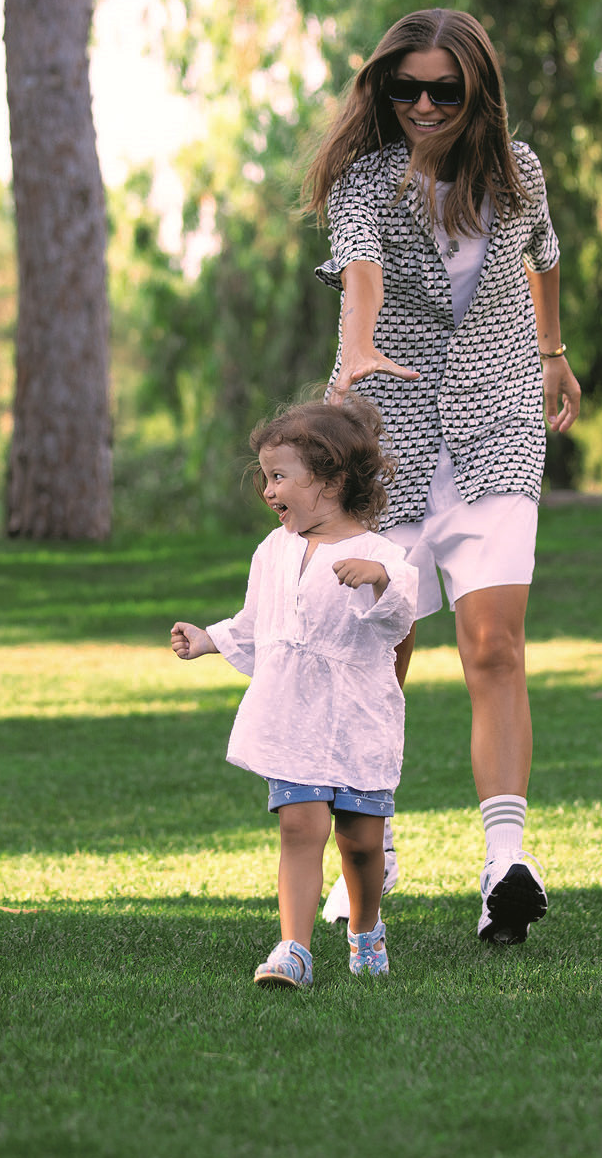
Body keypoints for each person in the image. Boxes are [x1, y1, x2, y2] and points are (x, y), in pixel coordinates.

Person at [300, 8, 582, 944]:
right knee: (376, 652)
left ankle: (505, 863)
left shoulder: (519, 172)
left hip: (498, 426)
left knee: (493, 645)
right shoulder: (363, 183)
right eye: (405, 88)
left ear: (477, 92)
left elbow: (544, 256)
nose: (422, 105)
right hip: (391, 435)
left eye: (444, 90)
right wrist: (356, 351)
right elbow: (361, 275)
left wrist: (551, 355)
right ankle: (368, 854)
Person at [171, 400, 418, 989]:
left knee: (361, 843)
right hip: (293, 718)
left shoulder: (382, 554)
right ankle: (293, 949)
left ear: (330, 480)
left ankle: (365, 930)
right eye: (265, 477)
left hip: (358, 719)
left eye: (279, 476)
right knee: (299, 829)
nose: (268, 491)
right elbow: (259, 623)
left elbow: (401, 616)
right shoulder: (273, 550)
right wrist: (209, 640)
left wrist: (380, 579)